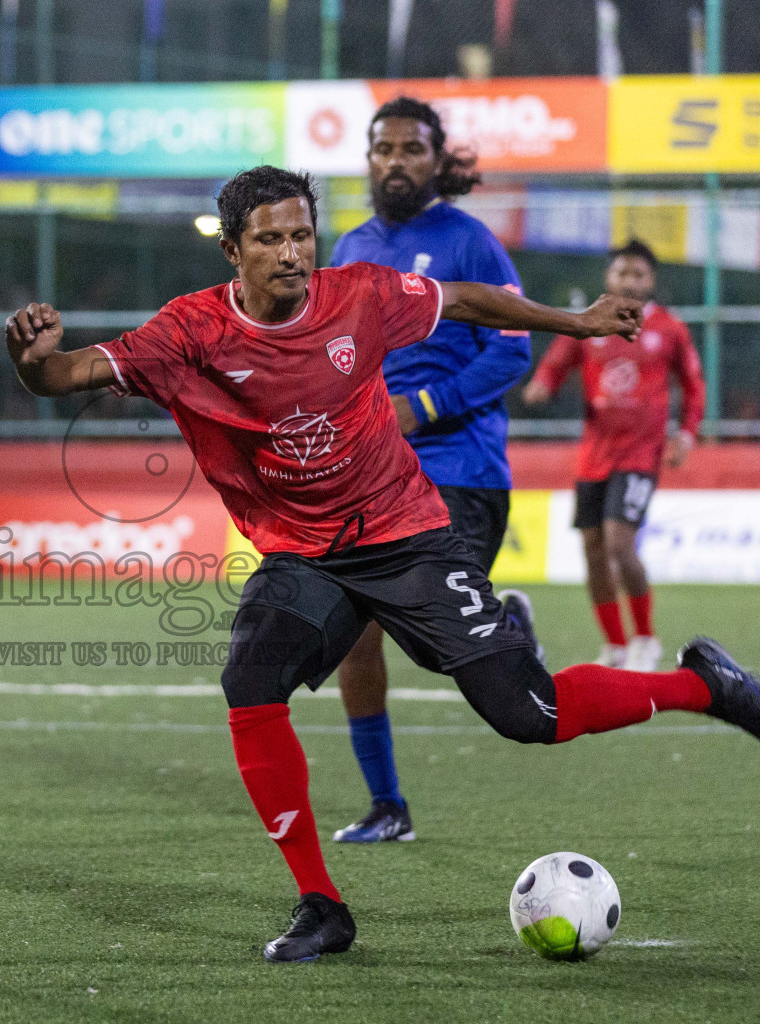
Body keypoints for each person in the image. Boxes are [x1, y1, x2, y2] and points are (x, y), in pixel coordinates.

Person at [3, 167, 760, 964]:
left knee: (532, 716)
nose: (291, 253)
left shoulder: (360, 295)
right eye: (270, 239)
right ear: (234, 254)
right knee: (249, 680)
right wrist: (34, 359)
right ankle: (323, 905)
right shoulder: (188, 334)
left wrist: (577, 322)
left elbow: (466, 298)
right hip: (304, 556)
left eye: (301, 234)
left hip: (407, 534)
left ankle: (706, 686)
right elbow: (66, 374)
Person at [326, 95, 534, 845]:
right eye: (383, 149)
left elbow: (513, 349)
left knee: (433, 639)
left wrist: (426, 403)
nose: (395, 161)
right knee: (356, 630)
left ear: (437, 160)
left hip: (458, 466)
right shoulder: (349, 247)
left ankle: (502, 624)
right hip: (370, 473)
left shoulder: (472, 244)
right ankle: (387, 806)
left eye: (412, 149)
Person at [524, 240, 705, 671]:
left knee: (620, 543)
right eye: (621, 273)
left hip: (642, 454)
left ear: (652, 281)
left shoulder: (670, 329)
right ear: (608, 278)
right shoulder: (591, 325)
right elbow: (555, 363)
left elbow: (694, 387)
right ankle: (615, 646)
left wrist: (686, 435)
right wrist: (542, 384)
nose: (629, 281)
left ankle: (646, 638)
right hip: (594, 455)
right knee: (591, 548)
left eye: (638, 274)